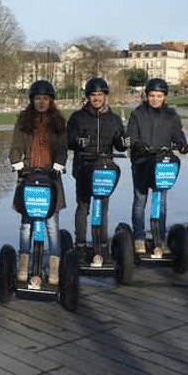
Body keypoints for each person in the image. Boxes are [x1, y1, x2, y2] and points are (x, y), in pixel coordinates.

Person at [9, 80, 68, 284]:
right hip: (28, 177)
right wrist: (16, 162)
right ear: (32, 100)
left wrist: (59, 163)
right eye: (38, 98)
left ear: (50, 101)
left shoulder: (58, 122)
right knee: (26, 226)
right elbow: (15, 145)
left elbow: (62, 148)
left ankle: (53, 270)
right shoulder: (23, 120)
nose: (41, 102)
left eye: (45, 98)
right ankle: (24, 267)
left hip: (51, 179)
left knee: (52, 225)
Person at [67, 77, 128, 260]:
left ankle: (101, 245)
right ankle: (80, 246)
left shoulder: (114, 119)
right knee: (83, 207)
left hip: (104, 169)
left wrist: (124, 143)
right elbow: (68, 141)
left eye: (100, 95)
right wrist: (78, 142)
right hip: (84, 167)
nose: (96, 98)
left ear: (105, 96)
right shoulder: (78, 117)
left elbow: (120, 145)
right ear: (88, 97)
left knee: (102, 207)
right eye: (93, 95)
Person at [127, 78, 188, 255]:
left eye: (159, 96)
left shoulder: (171, 115)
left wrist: (183, 144)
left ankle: (159, 239)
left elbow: (178, 134)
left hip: (161, 163)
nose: (155, 99)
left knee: (160, 201)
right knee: (140, 200)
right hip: (141, 162)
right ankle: (139, 237)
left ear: (165, 97)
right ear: (146, 96)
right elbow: (130, 136)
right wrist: (137, 145)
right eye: (152, 95)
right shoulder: (137, 113)